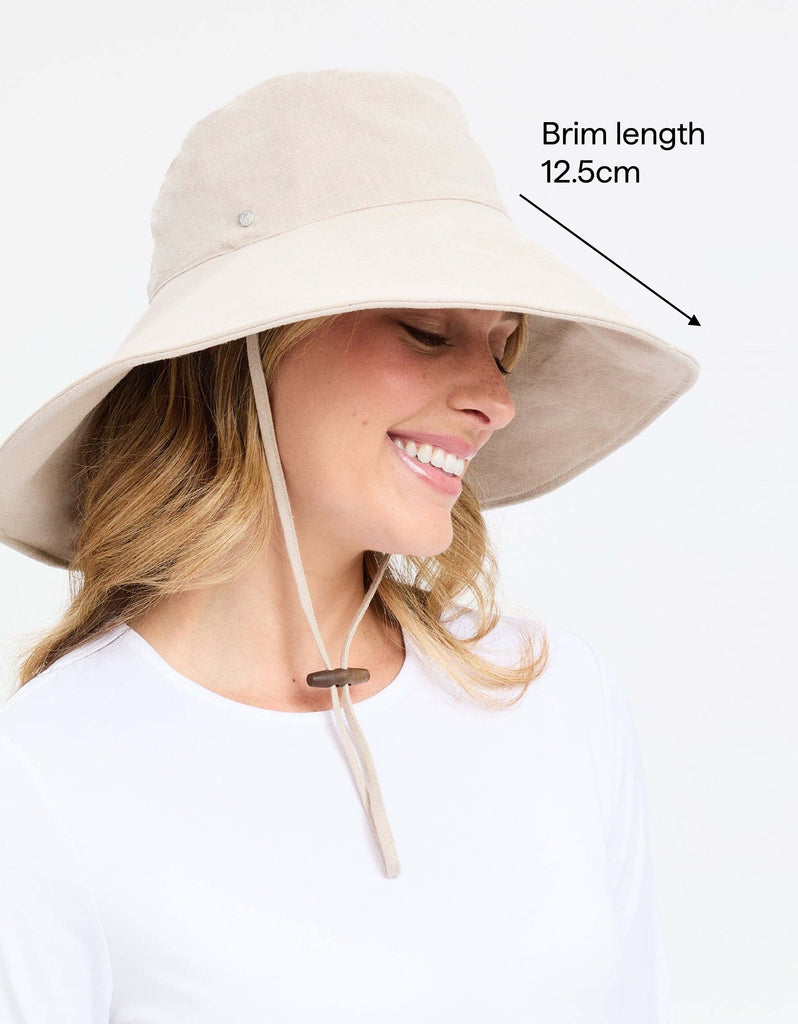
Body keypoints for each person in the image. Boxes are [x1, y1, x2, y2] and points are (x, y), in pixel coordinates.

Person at [0, 69, 698, 1021]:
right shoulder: (47, 776)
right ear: (246, 352)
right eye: (426, 331)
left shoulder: (559, 700)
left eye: (503, 344)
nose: (496, 400)